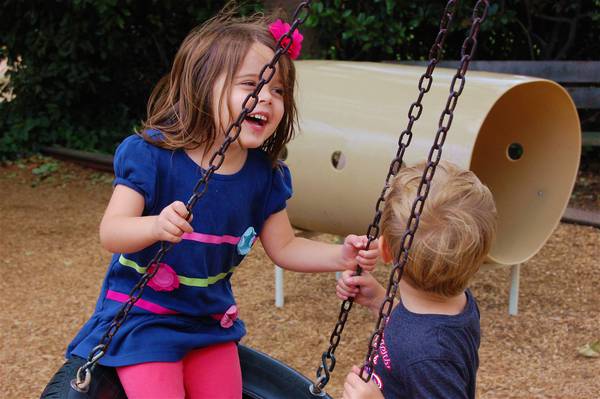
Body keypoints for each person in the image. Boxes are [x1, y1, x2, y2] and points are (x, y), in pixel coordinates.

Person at [66, 10, 379, 399]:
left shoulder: (264, 176)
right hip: (143, 319)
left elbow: (286, 246)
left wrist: (341, 256)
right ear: (201, 87)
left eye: (279, 90)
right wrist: (154, 226)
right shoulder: (153, 156)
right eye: (252, 84)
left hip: (209, 322)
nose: (267, 97)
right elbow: (111, 232)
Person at [337, 160, 497, 399]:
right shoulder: (454, 307)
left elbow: (423, 340)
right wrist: (379, 302)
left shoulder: (431, 357)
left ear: (386, 252)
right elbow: (416, 327)